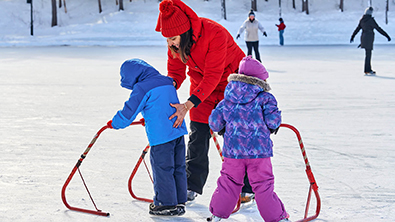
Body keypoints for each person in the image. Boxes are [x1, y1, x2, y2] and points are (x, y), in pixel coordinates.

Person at [155, 0, 247, 202]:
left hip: (232, 86)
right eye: (167, 40)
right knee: (198, 136)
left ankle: (247, 186)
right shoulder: (177, 45)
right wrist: (165, 90)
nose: (170, 44)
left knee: (235, 136)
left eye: (172, 38)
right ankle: (191, 185)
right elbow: (176, 72)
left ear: (184, 33)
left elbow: (213, 75)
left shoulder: (215, 34)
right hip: (201, 90)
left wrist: (187, 105)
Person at [207, 56, 289, 222]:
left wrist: (224, 126)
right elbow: (273, 121)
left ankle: (217, 215)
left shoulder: (227, 99)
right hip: (259, 153)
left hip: (233, 153)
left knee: (228, 183)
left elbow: (214, 123)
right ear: (259, 79)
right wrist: (274, 123)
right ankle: (277, 218)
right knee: (262, 185)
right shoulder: (265, 98)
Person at [107, 59, 188, 216]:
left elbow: (129, 112)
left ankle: (165, 204)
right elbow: (161, 105)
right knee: (178, 167)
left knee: (163, 168)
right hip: (177, 132)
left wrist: (114, 123)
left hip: (161, 137)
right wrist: (149, 117)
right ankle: (179, 201)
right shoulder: (167, 81)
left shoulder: (142, 87)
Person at [350, 7, 391, 75]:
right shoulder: (370, 20)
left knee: (367, 54)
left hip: (363, 38)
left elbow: (357, 29)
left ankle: (368, 69)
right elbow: (378, 28)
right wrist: (387, 36)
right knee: (368, 54)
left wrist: (352, 36)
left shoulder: (362, 20)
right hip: (369, 38)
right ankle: (367, 69)